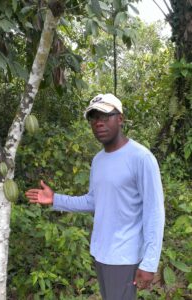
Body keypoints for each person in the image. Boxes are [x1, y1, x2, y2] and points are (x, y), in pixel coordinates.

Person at [25, 93, 165, 300]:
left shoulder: (141, 158)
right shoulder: (98, 160)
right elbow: (93, 201)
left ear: (120, 118)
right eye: (94, 118)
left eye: (105, 116)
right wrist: (55, 199)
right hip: (102, 253)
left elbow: (154, 212)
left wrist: (149, 262)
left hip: (125, 256)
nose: (99, 123)